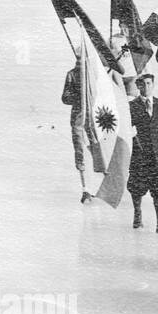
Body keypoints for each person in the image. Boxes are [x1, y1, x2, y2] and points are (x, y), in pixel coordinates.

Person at [128, 72, 158, 233]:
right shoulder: (131, 106)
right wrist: (131, 133)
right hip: (139, 154)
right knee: (137, 186)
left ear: (153, 85)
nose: (146, 87)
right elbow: (126, 127)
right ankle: (137, 216)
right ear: (138, 86)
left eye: (149, 83)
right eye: (143, 84)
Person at [62, 53, 95, 202]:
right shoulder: (72, 75)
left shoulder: (93, 73)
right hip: (78, 118)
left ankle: (97, 186)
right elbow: (65, 97)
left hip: (94, 116)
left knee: (97, 149)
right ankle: (85, 189)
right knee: (80, 152)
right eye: (79, 58)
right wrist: (79, 96)